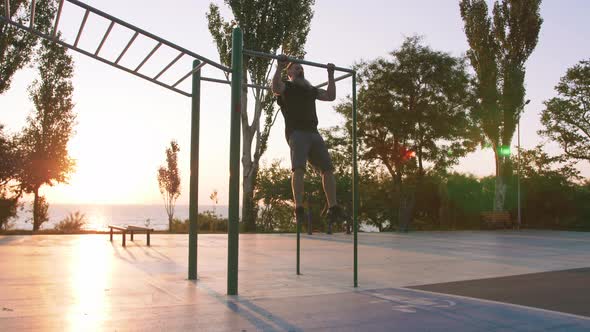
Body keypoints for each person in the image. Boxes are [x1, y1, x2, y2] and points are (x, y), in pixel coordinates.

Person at [272, 54, 348, 234]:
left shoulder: (309, 89)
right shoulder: (287, 87)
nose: (299, 69)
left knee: (327, 169)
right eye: (295, 67)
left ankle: (333, 207)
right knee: (298, 168)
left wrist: (330, 75)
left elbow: (330, 96)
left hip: (313, 132)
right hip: (297, 133)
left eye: (301, 67)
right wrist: (279, 68)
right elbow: (275, 87)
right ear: (289, 72)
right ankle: (298, 207)